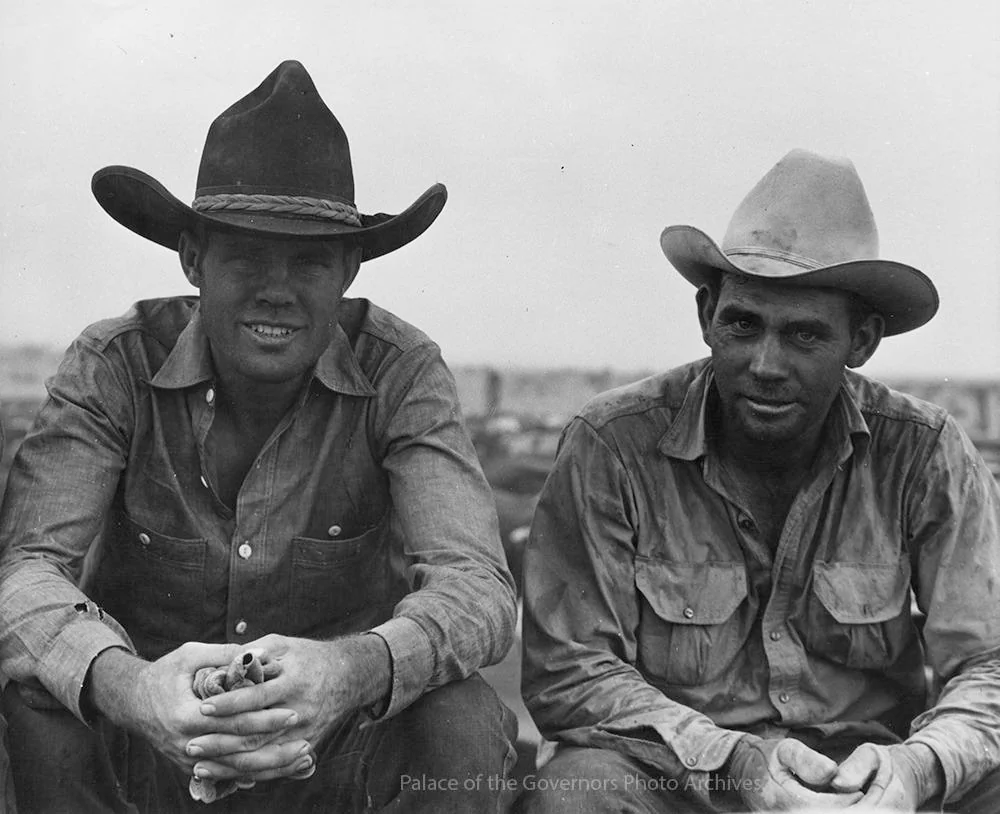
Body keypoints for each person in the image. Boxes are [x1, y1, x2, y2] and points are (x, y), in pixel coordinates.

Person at [0, 61, 518, 813]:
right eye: (245, 255)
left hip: (329, 752)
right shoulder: (113, 364)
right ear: (193, 261)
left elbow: (479, 588)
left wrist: (353, 672)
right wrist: (134, 686)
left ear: (347, 271)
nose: (276, 288)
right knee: (39, 698)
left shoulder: (402, 372)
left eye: (308, 260)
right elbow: (26, 574)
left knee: (464, 717)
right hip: (149, 749)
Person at [517, 149, 1000, 813]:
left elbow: (989, 661)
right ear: (706, 313)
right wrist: (735, 761)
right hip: (684, 777)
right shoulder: (613, 444)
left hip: (873, 781)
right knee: (577, 791)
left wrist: (918, 769)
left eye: (804, 335)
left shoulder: (926, 452)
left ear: (861, 342)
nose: (765, 364)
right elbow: (568, 670)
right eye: (742, 324)